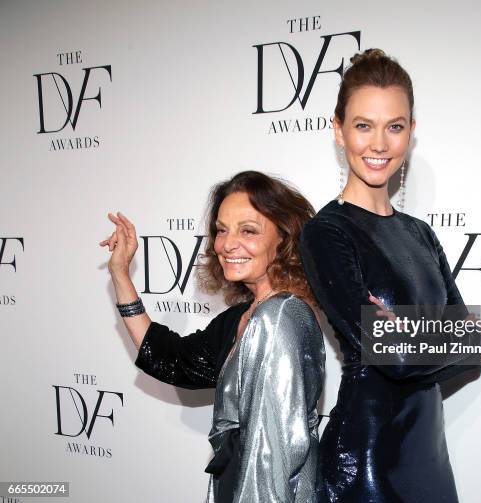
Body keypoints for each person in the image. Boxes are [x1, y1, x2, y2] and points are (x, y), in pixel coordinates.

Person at [298, 49, 481, 502]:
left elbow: (475, 348)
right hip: (365, 461)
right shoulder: (327, 233)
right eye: (363, 125)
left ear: (411, 133)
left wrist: (415, 337)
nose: (379, 144)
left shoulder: (419, 234)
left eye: (394, 126)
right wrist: (448, 336)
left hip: (428, 453)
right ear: (338, 131)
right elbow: (398, 358)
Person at [100, 170, 325, 503]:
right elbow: (174, 362)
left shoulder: (278, 319)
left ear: (284, 238)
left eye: (248, 230)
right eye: (221, 230)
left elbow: (271, 459)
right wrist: (120, 274)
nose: (227, 244)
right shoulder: (248, 314)